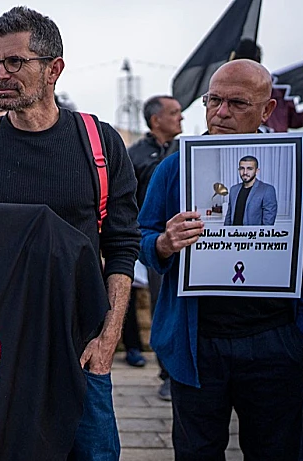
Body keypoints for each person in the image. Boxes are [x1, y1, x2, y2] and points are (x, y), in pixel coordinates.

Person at [0, 7, 140, 460]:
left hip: (82, 347)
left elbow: (122, 245)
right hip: (0, 353)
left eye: (15, 62)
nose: (0, 75)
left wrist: (108, 337)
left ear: (54, 69)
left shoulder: (100, 143)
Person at [139, 59, 303, 461]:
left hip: (275, 341)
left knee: (276, 452)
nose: (221, 112)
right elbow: (140, 238)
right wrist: (164, 244)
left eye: (238, 103)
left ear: (267, 110)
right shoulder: (175, 167)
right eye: (213, 100)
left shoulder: (298, 171)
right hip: (195, 343)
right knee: (196, 451)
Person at [124, 95, 183, 395]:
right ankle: (168, 374)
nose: (180, 118)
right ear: (156, 120)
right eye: (174, 113)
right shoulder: (134, 155)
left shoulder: (187, 151)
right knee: (161, 304)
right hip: (154, 244)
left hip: (190, 240)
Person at [223, 155, 277, 226]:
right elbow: (228, 218)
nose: (245, 172)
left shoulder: (267, 190)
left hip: (254, 233)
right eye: (242, 168)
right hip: (233, 233)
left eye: (249, 169)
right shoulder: (234, 190)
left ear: (256, 171)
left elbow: (268, 224)